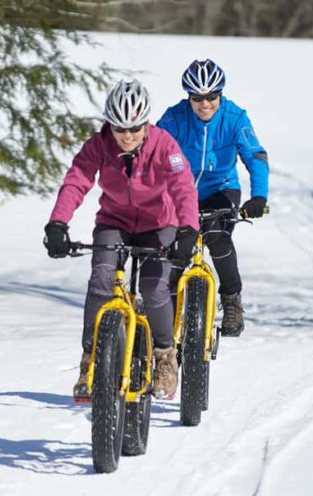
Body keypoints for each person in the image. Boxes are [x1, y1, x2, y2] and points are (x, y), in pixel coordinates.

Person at [43, 79, 200, 401]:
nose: (127, 136)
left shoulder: (164, 145)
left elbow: (182, 187)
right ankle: (90, 361)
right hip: (114, 221)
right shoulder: (98, 145)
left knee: (153, 287)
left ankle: (164, 357)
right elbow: (77, 181)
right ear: (109, 125)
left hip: (160, 223)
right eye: (119, 129)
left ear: (145, 123)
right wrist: (58, 223)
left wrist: (187, 229)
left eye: (134, 129)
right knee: (101, 281)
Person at [156, 59, 269, 337]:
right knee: (174, 248)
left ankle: (231, 300)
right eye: (197, 98)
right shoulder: (174, 118)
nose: (205, 104)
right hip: (180, 192)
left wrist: (259, 197)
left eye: (211, 97)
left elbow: (255, 157)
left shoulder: (235, 117)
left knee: (218, 236)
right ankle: (163, 309)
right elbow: (152, 154)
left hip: (221, 188)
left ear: (220, 94)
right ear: (189, 97)